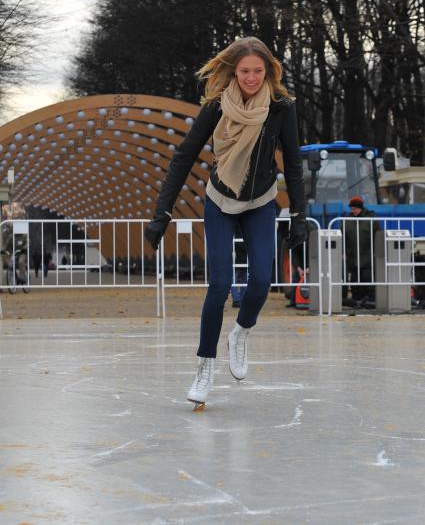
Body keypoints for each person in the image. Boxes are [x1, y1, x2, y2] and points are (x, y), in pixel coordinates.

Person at [144, 37, 306, 408]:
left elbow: (294, 164)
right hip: (220, 200)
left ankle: (241, 333)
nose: (251, 78)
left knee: (262, 281)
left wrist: (298, 213)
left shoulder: (281, 108)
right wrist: (162, 213)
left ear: (269, 72)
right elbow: (183, 158)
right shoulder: (217, 106)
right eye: (245, 71)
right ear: (234, 71)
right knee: (219, 286)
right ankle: (204, 367)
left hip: (261, 202)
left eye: (258, 71)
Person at [344, 196, 380, 305]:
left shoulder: (371, 219)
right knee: (355, 281)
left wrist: (375, 253)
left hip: (367, 256)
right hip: (352, 257)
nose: (353, 211)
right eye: (351, 209)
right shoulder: (347, 220)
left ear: (360, 208)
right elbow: (344, 237)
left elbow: (377, 236)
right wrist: (344, 252)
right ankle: (357, 301)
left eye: (355, 209)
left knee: (367, 279)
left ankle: (370, 302)